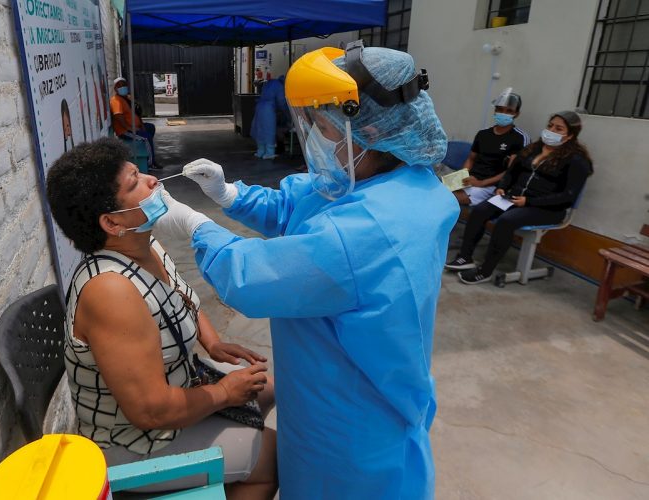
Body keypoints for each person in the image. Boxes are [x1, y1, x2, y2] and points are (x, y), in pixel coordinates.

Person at [152, 42, 459, 499]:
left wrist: (196, 226)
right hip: (331, 379)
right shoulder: (393, 178)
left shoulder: (366, 232)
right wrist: (230, 195)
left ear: (368, 129)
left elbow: (252, 277)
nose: (315, 139)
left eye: (322, 128)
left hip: (347, 416)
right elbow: (298, 205)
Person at [45, 138, 277, 499]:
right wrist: (222, 392)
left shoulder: (145, 244)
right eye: (135, 181)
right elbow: (151, 412)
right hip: (135, 443)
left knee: (272, 387)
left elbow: (182, 298)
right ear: (111, 222)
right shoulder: (112, 292)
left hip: (179, 389)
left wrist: (212, 342)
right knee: (272, 458)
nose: (153, 181)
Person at [445, 111, 593, 283]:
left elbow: (568, 196)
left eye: (559, 128)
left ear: (570, 136)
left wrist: (529, 201)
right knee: (480, 210)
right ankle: (465, 257)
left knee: (506, 221)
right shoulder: (533, 149)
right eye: (550, 125)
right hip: (514, 198)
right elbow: (511, 173)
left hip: (546, 208)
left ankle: (485, 270)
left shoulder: (576, 160)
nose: (551, 130)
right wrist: (502, 188)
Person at [453, 88, 530, 206]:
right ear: (495, 111)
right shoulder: (483, 134)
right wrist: (462, 177)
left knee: (453, 199)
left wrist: (481, 183)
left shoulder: (519, 138)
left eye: (509, 111)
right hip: (471, 179)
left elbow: (511, 171)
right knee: (436, 191)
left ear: (516, 114)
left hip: (490, 185)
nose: (503, 113)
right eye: (500, 109)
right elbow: (471, 159)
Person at [110, 77, 161, 168]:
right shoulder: (116, 100)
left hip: (135, 126)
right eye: (119, 86)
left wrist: (141, 125)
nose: (122, 87)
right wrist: (129, 128)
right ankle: (150, 163)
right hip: (125, 130)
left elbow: (136, 113)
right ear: (115, 89)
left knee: (150, 127)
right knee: (146, 138)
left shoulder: (126, 99)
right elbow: (118, 116)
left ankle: (148, 150)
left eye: (124, 85)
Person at [249, 76, 287, 159]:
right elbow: (282, 102)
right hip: (268, 109)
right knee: (269, 130)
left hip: (259, 106)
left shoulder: (269, 83)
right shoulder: (280, 86)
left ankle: (260, 151)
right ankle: (269, 153)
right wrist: (286, 111)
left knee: (260, 130)